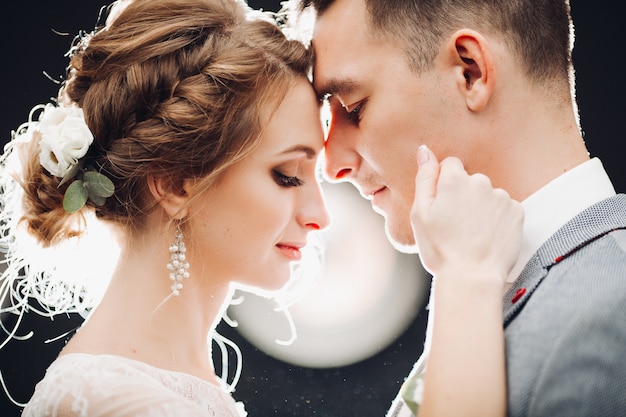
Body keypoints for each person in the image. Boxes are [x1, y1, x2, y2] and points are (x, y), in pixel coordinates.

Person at [0, 1, 523, 417]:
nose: (321, 215)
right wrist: (467, 282)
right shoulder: (115, 404)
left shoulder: (155, 388)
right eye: (287, 176)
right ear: (176, 182)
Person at [284, 0, 626, 416]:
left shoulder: (611, 310)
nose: (332, 165)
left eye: (354, 109)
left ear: (471, 72)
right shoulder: (484, 291)